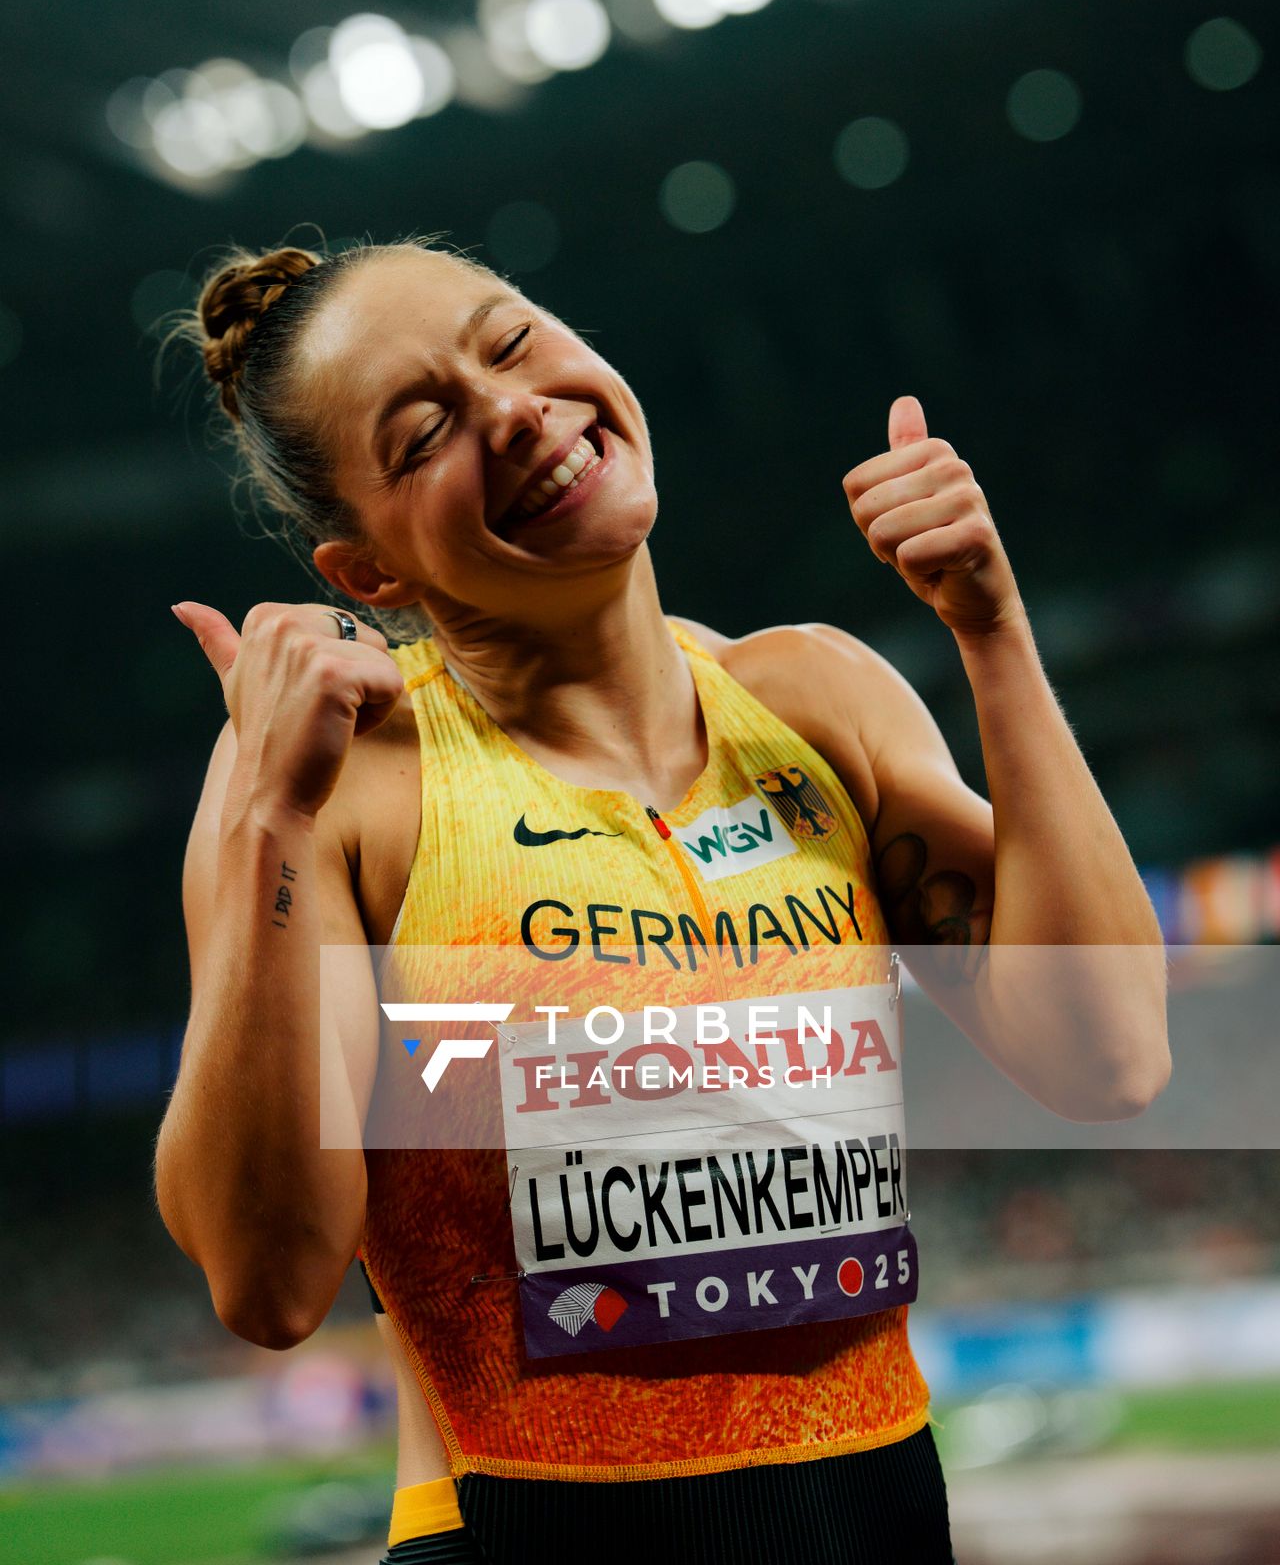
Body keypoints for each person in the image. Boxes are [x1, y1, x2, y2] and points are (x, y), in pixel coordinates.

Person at [155, 235, 1170, 1565]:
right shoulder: (348, 785)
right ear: (369, 576)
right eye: (426, 430)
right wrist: (267, 825)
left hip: (876, 1517)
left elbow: (1112, 1061)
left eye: (512, 342)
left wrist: (993, 634)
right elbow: (270, 1282)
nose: (516, 412)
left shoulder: (817, 701)